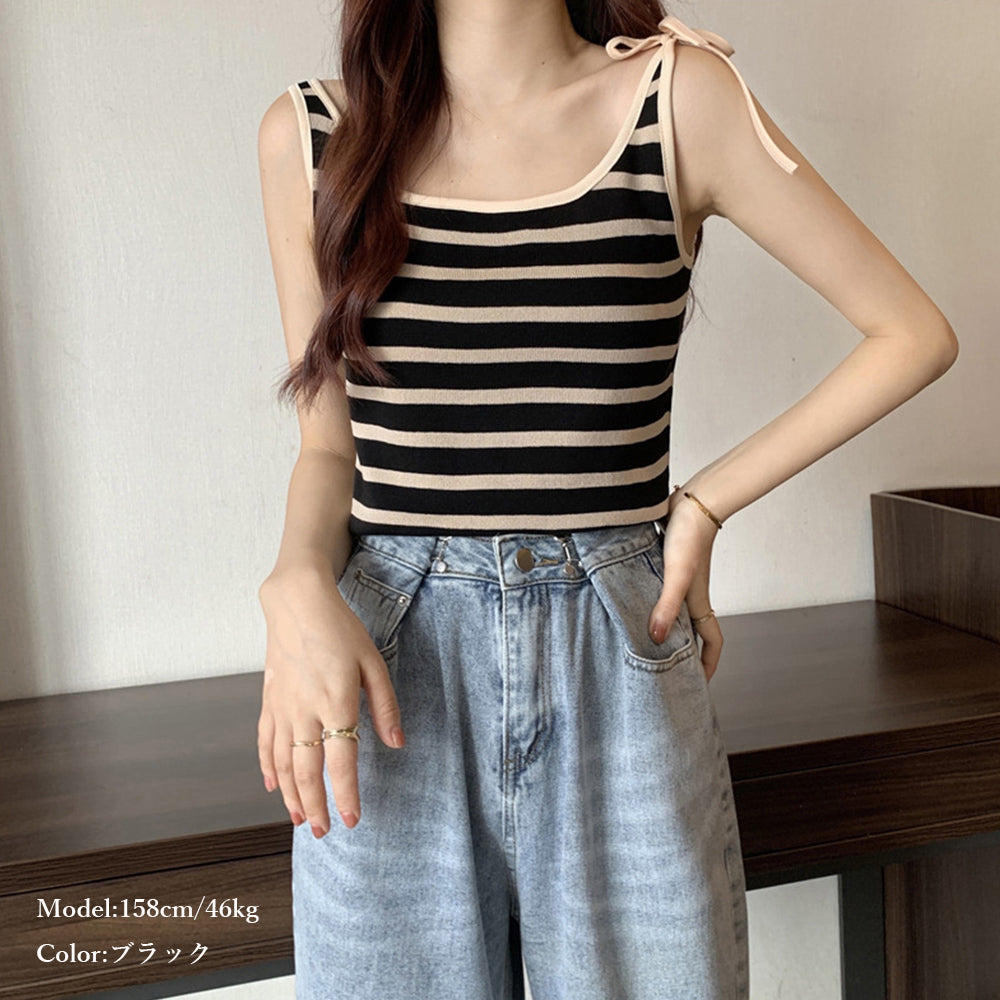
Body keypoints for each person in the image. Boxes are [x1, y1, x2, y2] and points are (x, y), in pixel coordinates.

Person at [255, 1, 958, 997]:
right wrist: (292, 581)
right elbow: (329, 446)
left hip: (617, 662)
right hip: (387, 672)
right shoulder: (312, 136)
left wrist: (702, 504)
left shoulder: (678, 99)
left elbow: (910, 333)